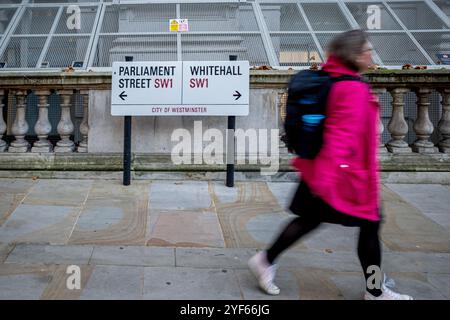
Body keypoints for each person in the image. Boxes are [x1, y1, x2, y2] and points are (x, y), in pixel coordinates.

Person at [248, 29, 413, 300]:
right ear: (355, 55)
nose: (371, 55)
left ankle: (265, 260)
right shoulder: (352, 89)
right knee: (368, 229)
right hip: (344, 178)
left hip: (330, 173)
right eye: (367, 50)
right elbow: (339, 137)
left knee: (310, 221)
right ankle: (375, 290)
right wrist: (324, 182)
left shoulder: (335, 80)